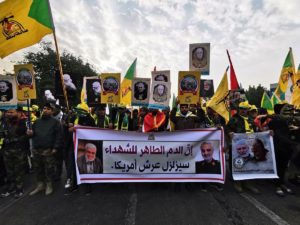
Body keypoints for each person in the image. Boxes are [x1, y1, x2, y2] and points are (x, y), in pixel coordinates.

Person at [27, 103, 63, 196]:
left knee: (49, 168)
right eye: (44, 108)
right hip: (37, 149)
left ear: (52, 111)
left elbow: (59, 136)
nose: (45, 110)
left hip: (48, 149)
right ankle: (40, 185)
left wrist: (55, 147)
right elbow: (33, 134)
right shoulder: (37, 122)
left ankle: (49, 185)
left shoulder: (56, 122)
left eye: (48, 109)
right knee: (38, 168)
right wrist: (30, 133)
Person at [0, 108, 29, 198]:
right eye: (8, 112)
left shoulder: (22, 122)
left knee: (18, 170)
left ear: (17, 113)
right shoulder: (4, 123)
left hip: (18, 150)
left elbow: (25, 136)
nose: (9, 114)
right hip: (7, 150)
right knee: (9, 170)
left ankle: (19, 188)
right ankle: (11, 187)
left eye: (12, 112)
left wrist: (16, 140)